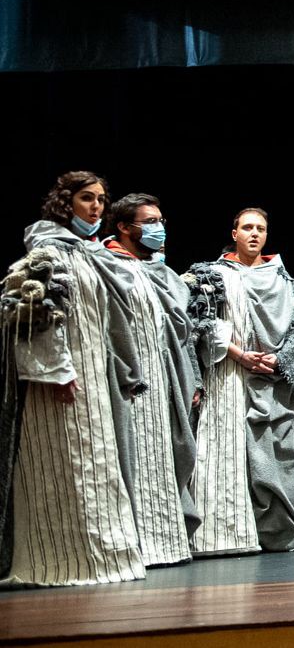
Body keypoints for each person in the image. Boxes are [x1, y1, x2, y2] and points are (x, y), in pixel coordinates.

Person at [2, 172, 146, 585]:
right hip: (60, 380)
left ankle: (102, 557)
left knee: (98, 461)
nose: (96, 207)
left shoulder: (87, 253)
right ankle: (60, 560)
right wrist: (56, 370)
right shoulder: (47, 251)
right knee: (64, 463)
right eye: (86, 198)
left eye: (101, 199)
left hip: (93, 376)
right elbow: (33, 316)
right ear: (66, 203)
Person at [186, 208, 294, 555]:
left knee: (277, 453)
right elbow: (201, 322)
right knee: (226, 450)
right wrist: (237, 353)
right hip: (229, 375)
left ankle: (278, 530)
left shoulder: (281, 277)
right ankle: (227, 532)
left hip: (273, 379)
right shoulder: (213, 274)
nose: (254, 233)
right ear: (234, 233)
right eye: (247, 227)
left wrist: (280, 358)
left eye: (261, 228)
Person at [105, 193, 200, 567]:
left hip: (162, 380)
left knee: (164, 454)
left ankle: (165, 543)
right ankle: (136, 543)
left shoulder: (158, 271)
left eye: (161, 221)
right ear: (126, 228)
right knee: (133, 455)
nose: (159, 229)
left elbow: (178, 329)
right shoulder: (109, 265)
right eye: (150, 222)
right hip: (127, 380)